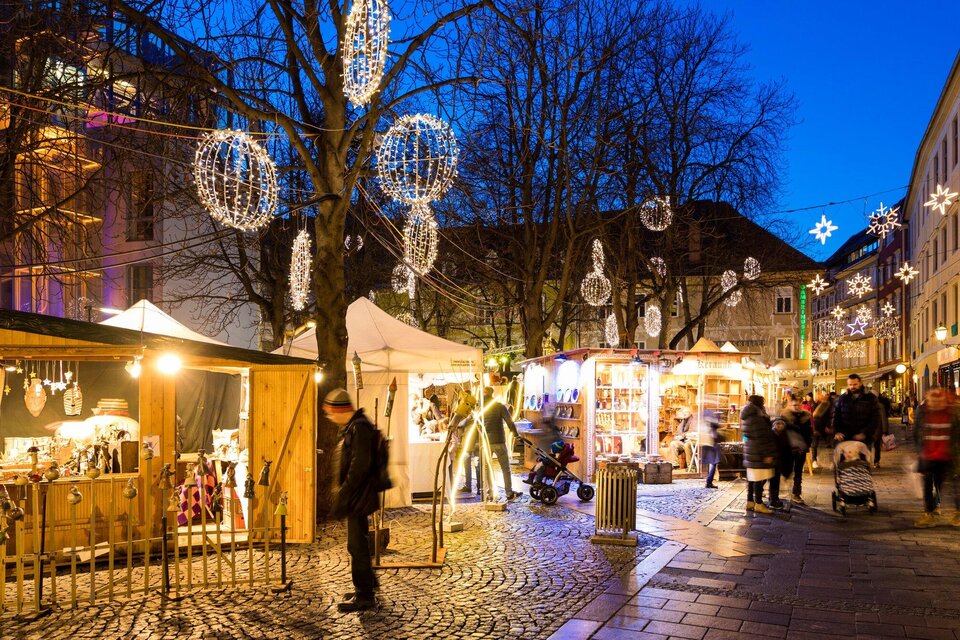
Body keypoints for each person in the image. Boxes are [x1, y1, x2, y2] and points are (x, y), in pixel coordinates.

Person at [326, 388, 380, 612]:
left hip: (359, 495)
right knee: (358, 542)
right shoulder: (356, 425)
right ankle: (369, 584)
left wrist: (345, 491)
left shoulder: (358, 428)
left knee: (356, 545)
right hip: (359, 495)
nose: (329, 418)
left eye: (330, 413)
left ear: (340, 411)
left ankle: (365, 594)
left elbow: (359, 465)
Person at [912, 387, 960, 528]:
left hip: (948, 455)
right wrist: (920, 450)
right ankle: (929, 513)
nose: (936, 401)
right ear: (927, 398)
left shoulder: (952, 411)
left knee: (953, 485)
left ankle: (958, 513)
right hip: (928, 455)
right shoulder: (922, 411)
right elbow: (917, 432)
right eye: (933, 399)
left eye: (939, 398)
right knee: (927, 485)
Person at [480, 386, 521, 501]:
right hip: (499, 440)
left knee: (487, 468)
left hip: (486, 441)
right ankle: (509, 492)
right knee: (505, 468)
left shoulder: (480, 408)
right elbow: (510, 422)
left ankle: (490, 493)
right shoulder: (499, 406)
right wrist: (516, 434)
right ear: (492, 394)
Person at [741, 395, 777, 514]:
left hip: (751, 450)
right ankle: (759, 503)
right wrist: (767, 453)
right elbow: (762, 436)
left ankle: (750, 501)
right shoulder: (757, 417)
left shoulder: (748, 415)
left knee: (752, 479)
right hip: (758, 452)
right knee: (758, 478)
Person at [832, 374, 882, 455]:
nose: (852, 387)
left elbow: (875, 418)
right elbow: (836, 416)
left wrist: (865, 433)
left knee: (862, 462)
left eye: (855, 384)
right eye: (850, 385)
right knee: (844, 462)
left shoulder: (870, 398)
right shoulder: (842, 398)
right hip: (846, 436)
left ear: (860, 383)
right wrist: (837, 431)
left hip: (864, 437)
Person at [781, 395, 813, 504]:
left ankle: (796, 494)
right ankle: (777, 490)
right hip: (788, 449)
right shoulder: (785, 417)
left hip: (801, 449)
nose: (797, 407)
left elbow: (809, 433)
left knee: (798, 471)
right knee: (786, 469)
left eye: (799, 405)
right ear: (789, 405)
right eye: (794, 405)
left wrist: (807, 445)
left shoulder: (806, 416)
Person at [810, 391, 834, 469]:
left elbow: (830, 416)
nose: (820, 396)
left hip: (825, 427)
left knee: (831, 444)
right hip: (816, 427)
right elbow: (812, 417)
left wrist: (829, 426)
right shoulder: (814, 404)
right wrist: (813, 428)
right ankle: (814, 460)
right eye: (818, 395)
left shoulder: (828, 404)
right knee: (815, 444)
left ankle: (832, 461)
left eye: (824, 395)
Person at [700, 410, 722, 489]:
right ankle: (709, 481)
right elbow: (716, 426)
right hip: (711, 442)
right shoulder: (711, 420)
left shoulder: (704, 419)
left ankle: (709, 481)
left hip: (707, 442)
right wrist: (718, 418)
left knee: (713, 462)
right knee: (714, 462)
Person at [874, 392, 892, 468]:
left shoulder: (880, 406)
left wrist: (885, 431)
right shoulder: (866, 405)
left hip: (877, 430)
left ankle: (876, 461)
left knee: (877, 446)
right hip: (869, 430)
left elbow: (884, 419)